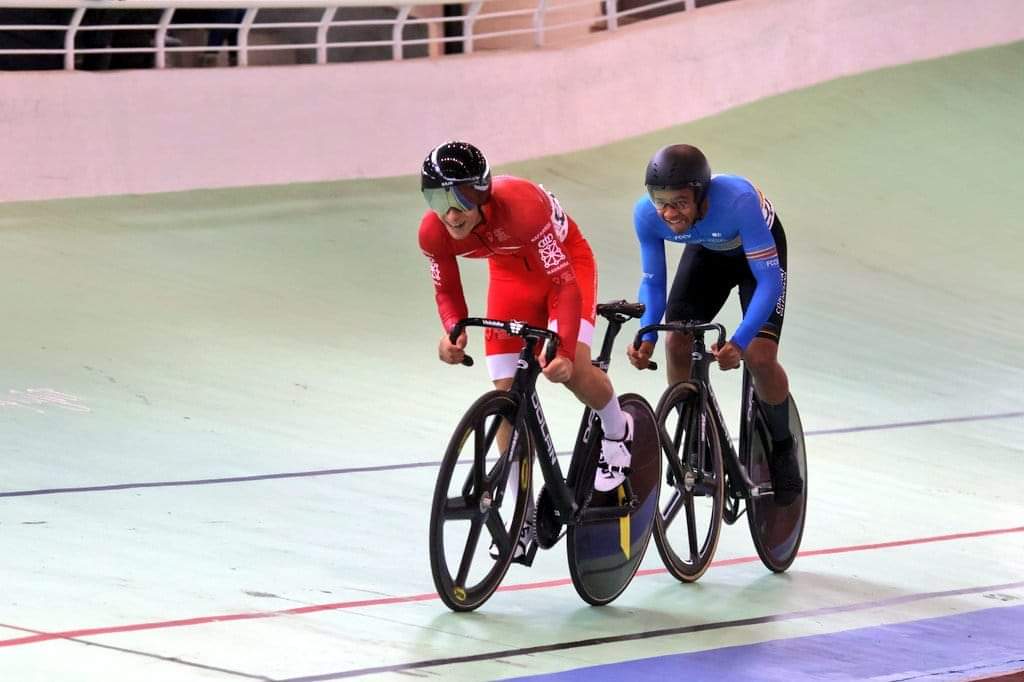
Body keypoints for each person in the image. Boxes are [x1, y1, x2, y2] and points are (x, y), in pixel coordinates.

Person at [418, 141, 634, 556]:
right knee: (505, 394)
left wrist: (567, 353)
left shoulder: (522, 208)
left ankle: (616, 426)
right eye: (437, 198)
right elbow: (446, 287)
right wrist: (452, 331)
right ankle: (523, 517)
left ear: (482, 192)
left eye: (460, 197)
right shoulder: (433, 231)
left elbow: (565, 284)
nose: (450, 213)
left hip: (565, 269)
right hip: (511, 275)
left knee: (574, 371)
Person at [625, 144, 803, 505]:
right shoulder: (647, 215)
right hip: (708, 251)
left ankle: (783, 446)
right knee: (676, 340)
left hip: (756, 257)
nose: (670, 212)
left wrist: (737, 342)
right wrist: (646, 331)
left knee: (759, 355)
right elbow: (654, 281)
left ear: (701, 194)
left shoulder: (737, 200)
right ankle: (693, 437)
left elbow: (768, 283)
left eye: (680, 202)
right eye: (661, 200)